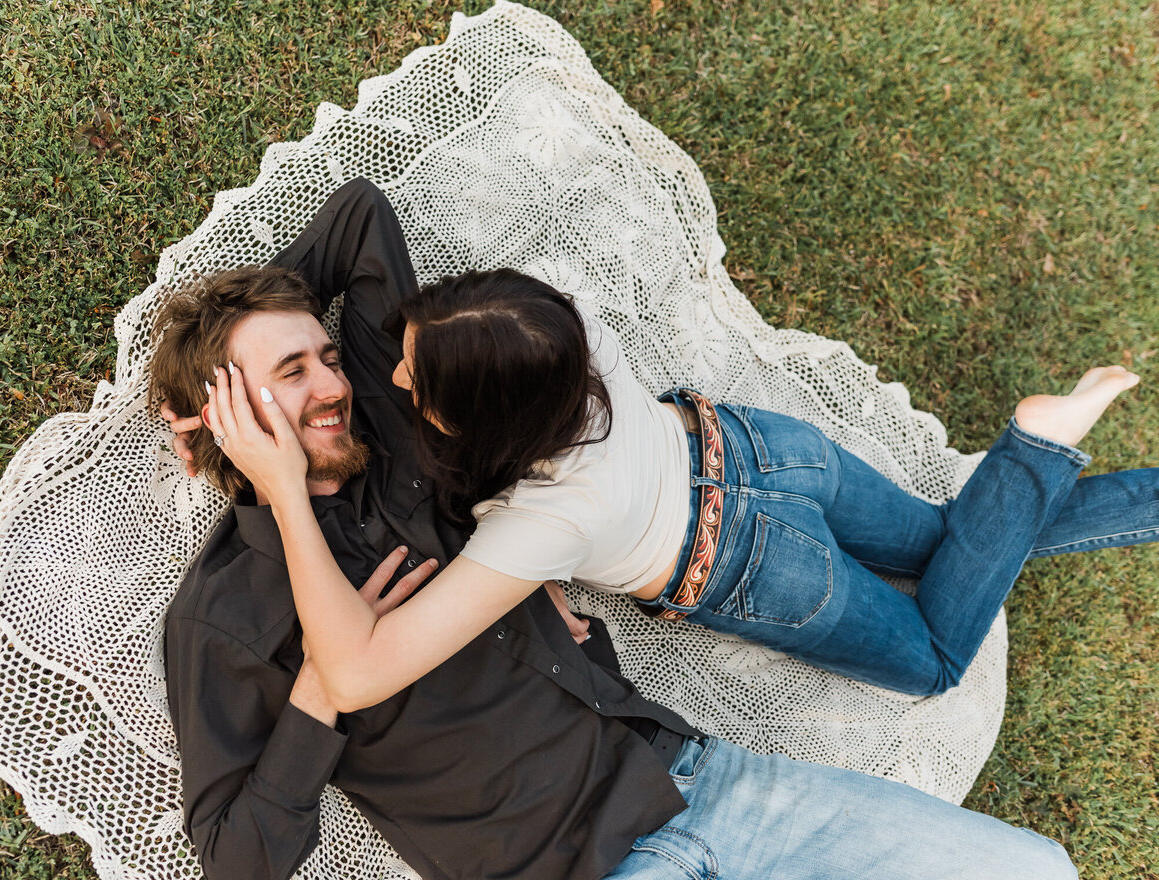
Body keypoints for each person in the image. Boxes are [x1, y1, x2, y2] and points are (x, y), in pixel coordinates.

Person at [156, 177, 1078, 879]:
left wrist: (250, 329)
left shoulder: (396, 427)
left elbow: (360, 217)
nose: (334, 383)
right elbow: (238, 858)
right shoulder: (223, 614)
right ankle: (1040, 462)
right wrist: (319, 693)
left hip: (698, 779)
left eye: (325, 355)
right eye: (292, 373)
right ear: (220, 415)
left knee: (1036, 869)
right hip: (574, 868)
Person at [354, 267, 1159, 696]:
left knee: (936, 662)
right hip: (765, 448)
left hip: (760, 564)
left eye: (418, 377)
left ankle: (1034, 449)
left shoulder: (542, 524)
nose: (395, 377)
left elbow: (366, 675)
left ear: (492, 418)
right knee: (950, 545)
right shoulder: (552, 329)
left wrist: (286, 493)